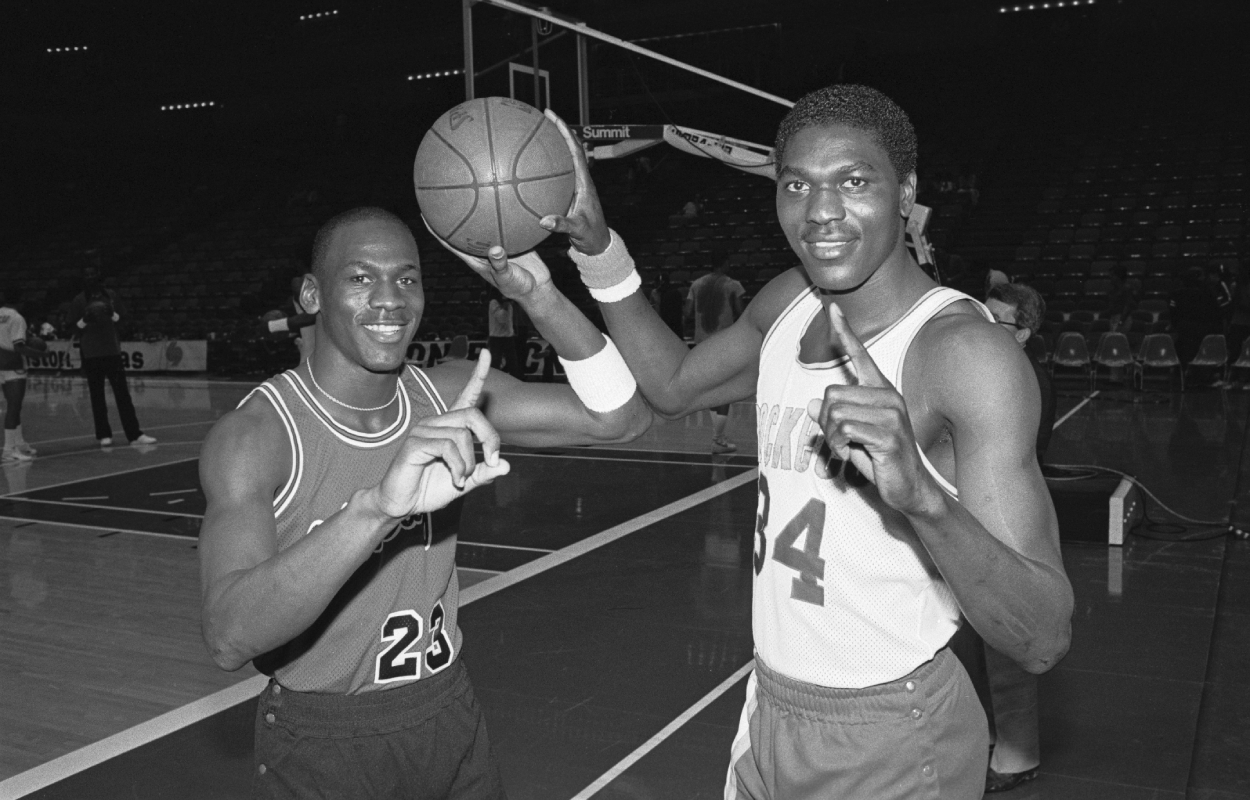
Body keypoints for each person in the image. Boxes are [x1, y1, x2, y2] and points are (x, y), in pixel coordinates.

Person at [540, 86, 1073, 799]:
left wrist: (921, 497)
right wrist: (598, 247)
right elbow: (672, 386)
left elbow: (1040, 637)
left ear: (906, 192)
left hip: (894, 729)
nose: (821, 211)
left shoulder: (964, 355)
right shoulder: (789, 298)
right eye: (798, 184)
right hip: (771, 704)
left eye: (854, 181)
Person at [198, 206, 651, 799]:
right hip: (327, 738)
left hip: (447, 711)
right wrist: (376, 509)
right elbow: (229, 636)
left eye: (407, 279)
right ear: (312, 294)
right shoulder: (257, 435)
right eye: (360, 278)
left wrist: (540, 297)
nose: (390, 299)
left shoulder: (445, 393)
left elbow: (622, 419)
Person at [981, 281, 1056, 793]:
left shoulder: (1024, 379)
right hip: (986, 512)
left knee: (1006, 642)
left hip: (1009, 520)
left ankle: (1018, 753)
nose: (982, 329)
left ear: (1024, 333)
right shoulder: (997, 370)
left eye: (998, 322)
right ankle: (995, 735)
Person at [65, 268, 156, 447]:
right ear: (84, 280)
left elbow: (124, 319)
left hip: (112, 351)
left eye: (93, 275)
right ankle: (104, 434)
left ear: (99, 278)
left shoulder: (112, 296)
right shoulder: (79, 300)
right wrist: (84, 320)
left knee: (123, 394)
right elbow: (71, 327)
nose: (91, 277)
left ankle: (135, 435)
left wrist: (112, 314)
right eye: (87, 275)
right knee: (97, 396)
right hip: (91, 354)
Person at [685, 262, 746, 453]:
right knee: (725, 391)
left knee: (712, 391)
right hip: (723, 342)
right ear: (724, 264)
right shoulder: (732, 284)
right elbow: (742, 313)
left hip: (701, 343)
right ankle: (718, 439)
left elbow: (687, 312)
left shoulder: (696, 284)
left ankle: (718, 436)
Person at [0, 289, 46, 462]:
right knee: (14, 407)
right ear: (21, 302)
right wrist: (41, 355)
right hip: (13, 365)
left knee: (14, 406)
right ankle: (8, 450)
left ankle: (19, 443)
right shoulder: (17, 318)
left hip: (0, 365)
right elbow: (19, 346)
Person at [486, 288, 524, 379]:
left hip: (508, 337)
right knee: (495, 362)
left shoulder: (509, 305)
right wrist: (505, 305)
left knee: (513, 362)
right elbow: (502, 318)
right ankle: (494, 381)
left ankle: (516, 381)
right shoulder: (494, 303)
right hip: (496, 337)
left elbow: (509, 320)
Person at [650, 272, 685, 336]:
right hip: (676, 329)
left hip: (667, 328)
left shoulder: (665, 295)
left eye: (656, 283)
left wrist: (656, 300)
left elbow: (661, 313)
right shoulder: (677, 292)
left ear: (661, 283)